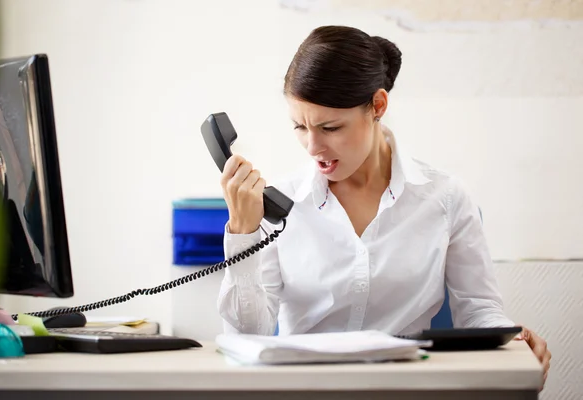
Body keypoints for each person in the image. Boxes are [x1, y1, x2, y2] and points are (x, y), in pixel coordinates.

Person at [216, 25, 550, 386]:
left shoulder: (446, 197)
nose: (312, 147)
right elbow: (245, 337)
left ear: (377, 106)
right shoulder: (280, 204)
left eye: (330, 128)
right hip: (306, 390)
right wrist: (243, 234)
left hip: (407, 389)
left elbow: (479, 311)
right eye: (300, 127)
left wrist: (513, 338)